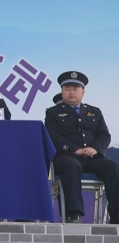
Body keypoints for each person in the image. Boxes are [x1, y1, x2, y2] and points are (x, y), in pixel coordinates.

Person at [45, 71, 119, 224]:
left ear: (83, 92)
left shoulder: (95, 112)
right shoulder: (53, 112)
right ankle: (73, 214)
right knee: (71, 166)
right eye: (67, 89)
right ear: (62, 92)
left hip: (92, 157)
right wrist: (74, 149)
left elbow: (104, 135)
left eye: (75, 89)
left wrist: (95, 149)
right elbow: (53, 136)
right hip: (67, 156)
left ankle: (117, 215)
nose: (71, 92)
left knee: (112, 167)